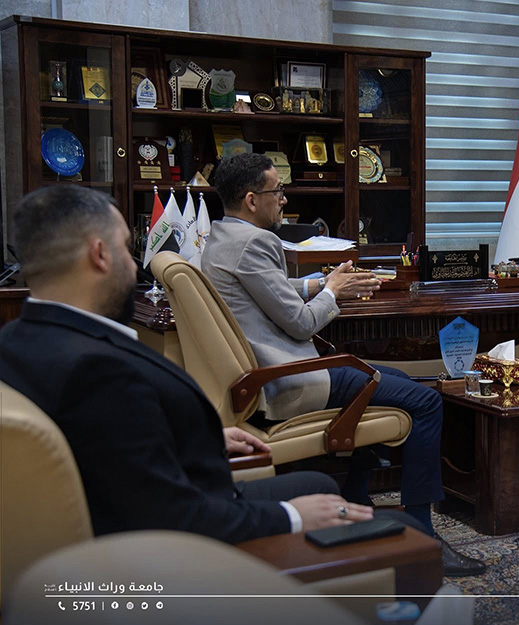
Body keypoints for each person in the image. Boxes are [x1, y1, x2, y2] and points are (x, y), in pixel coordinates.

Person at [0, 184, 421, 545]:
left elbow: (100, 450)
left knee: (319, 484)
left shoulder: (16, 342)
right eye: (127, 250)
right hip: (190, 537)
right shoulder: (98, 371)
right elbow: (168, 516)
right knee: (403, 531)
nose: (134, 264)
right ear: (100, 256)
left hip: (173, 486)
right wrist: (292, 518)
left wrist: (187, 436)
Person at [202, 153, 484, 576]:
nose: (283, 199)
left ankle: (357, 500)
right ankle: (425, 533)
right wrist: (332, 293)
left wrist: (322, 282)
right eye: (277, 191)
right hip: (290, 380)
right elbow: (300, 324)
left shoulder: (222, 238)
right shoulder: (256, 243)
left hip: (266, 376)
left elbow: (268, 289)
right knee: (426, 401)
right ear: (251, 199)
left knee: (390, 379)